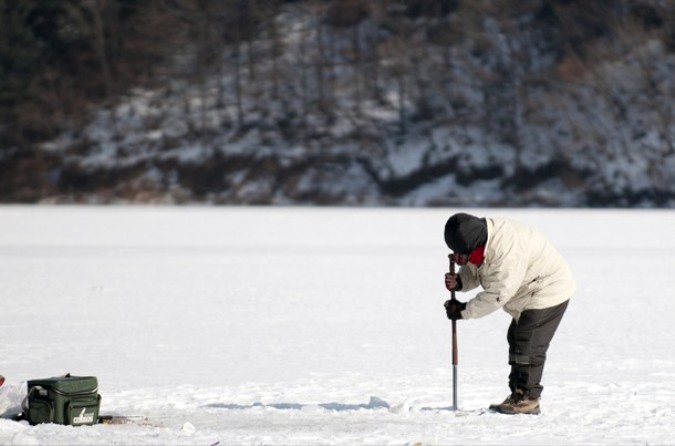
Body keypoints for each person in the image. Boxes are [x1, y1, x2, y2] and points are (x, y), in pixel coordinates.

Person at [442, 212, 575, 415]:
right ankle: (517, 394)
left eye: (462, 256)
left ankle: (528, 399)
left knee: (527, 341)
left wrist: (463, 311)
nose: (460, 261)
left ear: (476, 246)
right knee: (515, 338)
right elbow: (477, 267)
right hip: (527, 289)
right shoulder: (480, 238)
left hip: (548, 288)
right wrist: (461, 281)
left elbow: (498, 293)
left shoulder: (507, 251)